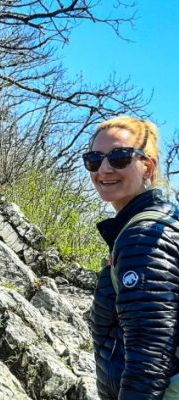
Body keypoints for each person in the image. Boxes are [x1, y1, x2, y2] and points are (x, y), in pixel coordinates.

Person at [86, 115, 179, 400]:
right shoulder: (165, 219)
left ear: (147, 166)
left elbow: (149, 355)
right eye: (94, 159)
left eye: (120, 157)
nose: (104, 168)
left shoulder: (144, 238)